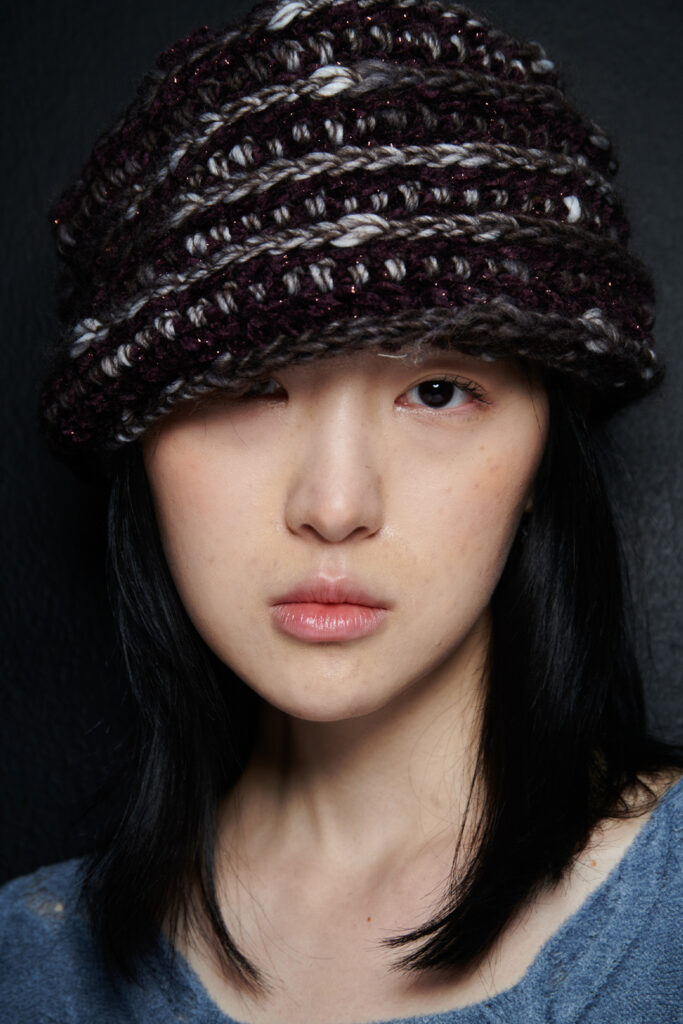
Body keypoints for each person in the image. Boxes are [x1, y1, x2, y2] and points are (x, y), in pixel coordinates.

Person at [1, 0, 681, 1020]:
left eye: (437, 392)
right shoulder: (28, 969)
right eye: (247, 387)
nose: (333, 506)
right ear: (138, 440)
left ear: (546, 448)